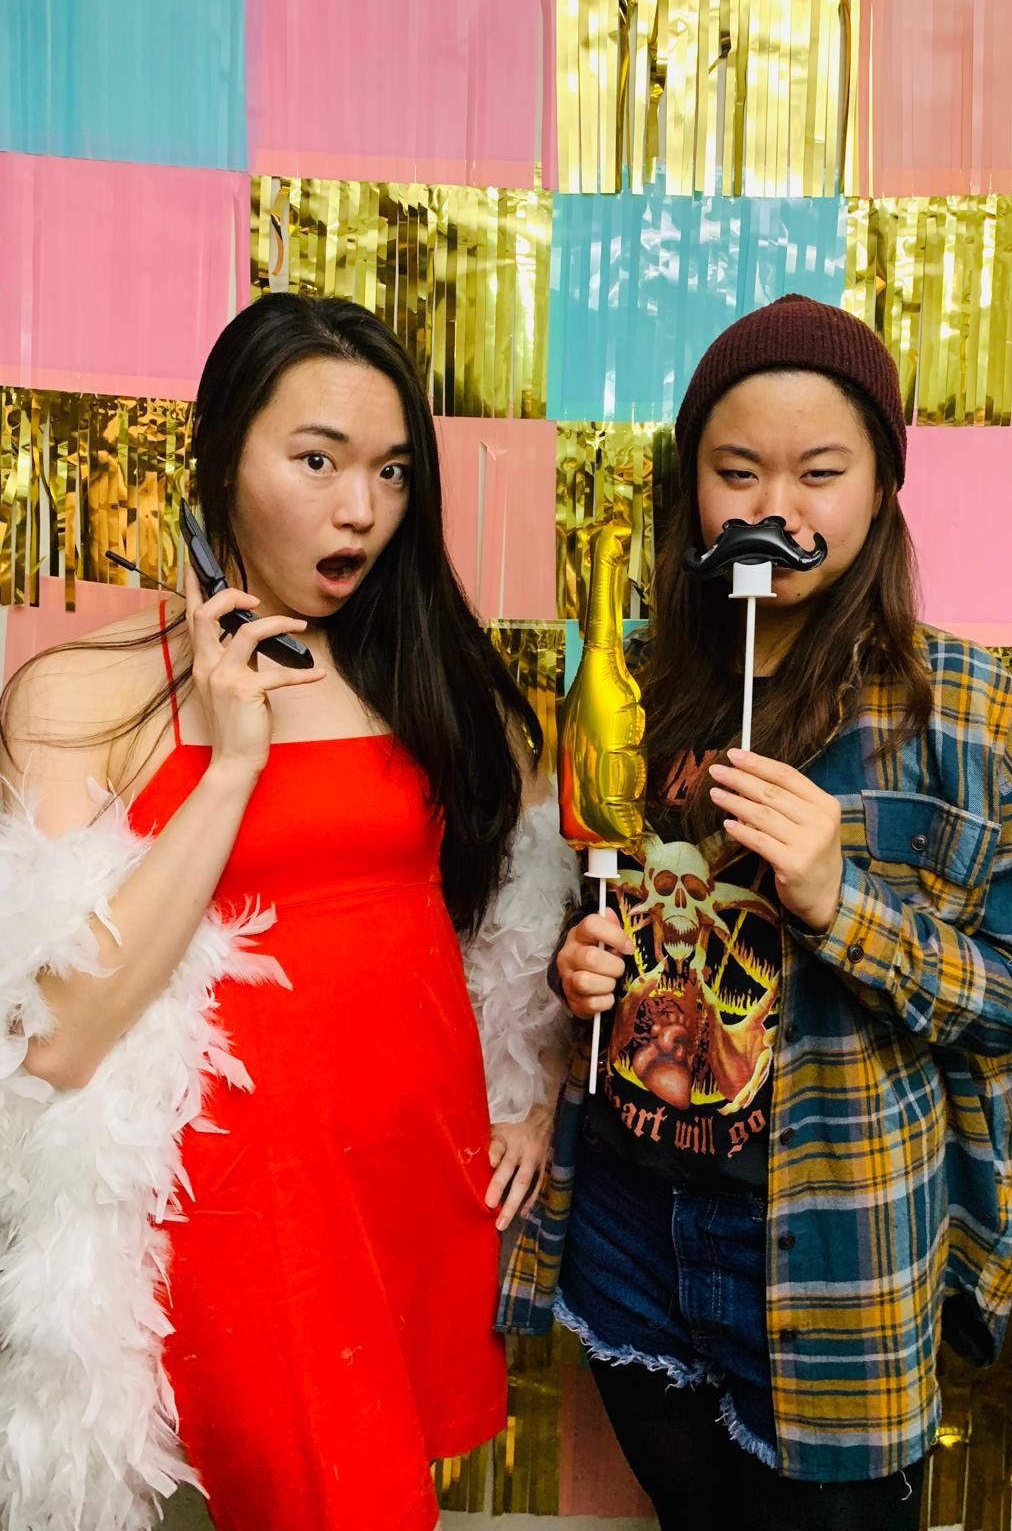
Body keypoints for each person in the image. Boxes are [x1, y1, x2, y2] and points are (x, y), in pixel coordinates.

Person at [0, 293, 575, 1531]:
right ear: (221, 456)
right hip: (242, 1209)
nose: (361, 510)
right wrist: (233, 759)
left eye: (390, 473)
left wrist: (526, 1081)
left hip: (410, 1183)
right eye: (317, 460)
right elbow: (59, 1035)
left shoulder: (428, 677)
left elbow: (515, 884)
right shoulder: (82, 696)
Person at [499, 295, 1012, 1531]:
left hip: (837, 1253)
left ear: (881, 489)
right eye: (735, 470)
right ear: (689, 488)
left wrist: (839, 899)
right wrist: (579, 962)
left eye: (820, 472)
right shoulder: (631, 679)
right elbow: (573, 901)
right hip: (634, 1230)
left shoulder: (971, 713)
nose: (774, 509)